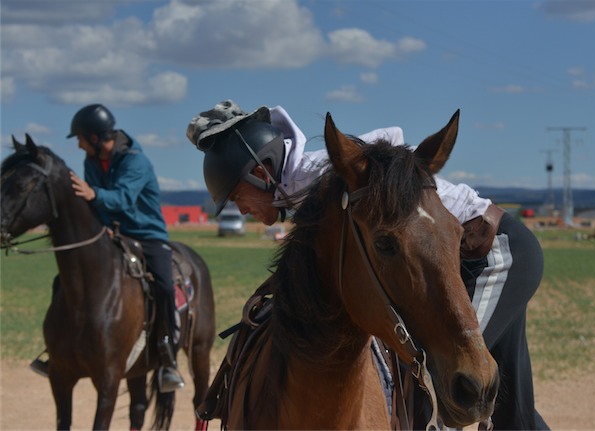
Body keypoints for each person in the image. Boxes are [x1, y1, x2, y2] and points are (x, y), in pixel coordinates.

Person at [186, 100, 549, 430]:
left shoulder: (323, 177)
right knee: (510, 408)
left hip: (490, 251)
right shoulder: (303, 185)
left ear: (261, 173)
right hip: (450, 258)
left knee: (439, 373)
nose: (240, 210)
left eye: (236, 197)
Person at [30, 104, 184, 393]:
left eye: (80, 138)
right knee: (62, 282)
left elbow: (124, 199)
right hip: (113, 234)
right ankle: (57, 353)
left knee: (164, 285)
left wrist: (93, 193)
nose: (78, 144)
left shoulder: (137, 161)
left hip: (148, 235)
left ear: (96, 137)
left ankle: (167, 359)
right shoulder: (92, 160)